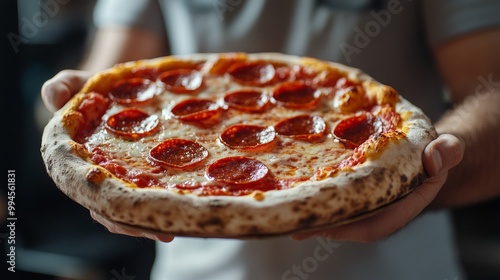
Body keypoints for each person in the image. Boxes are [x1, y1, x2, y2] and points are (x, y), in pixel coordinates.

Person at [41, 1, 500, 279]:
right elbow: (112, 70)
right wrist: (93, 100)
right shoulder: (101, 150)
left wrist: (428, 171)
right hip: (194, 271)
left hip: (397, 270)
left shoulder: (381, 122)